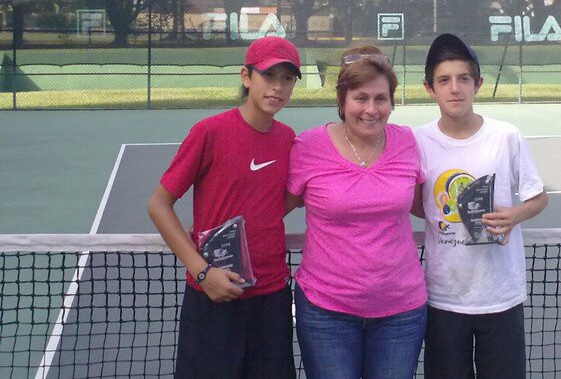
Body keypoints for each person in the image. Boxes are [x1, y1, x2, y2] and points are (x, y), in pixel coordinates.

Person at [147, 36, 301, 379]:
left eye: (287, 79)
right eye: (268, 75)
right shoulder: (208, 133)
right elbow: (159, 205)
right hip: (213, 297)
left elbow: (282, 201)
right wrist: (203, 273)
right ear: (246, 77)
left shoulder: (288, 138)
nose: (277, 87)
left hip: (271, 298)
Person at [285, 45, 427, 379]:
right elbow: (272, 209)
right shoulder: (308, 147)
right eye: (361, 98)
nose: (371, 109)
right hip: (325, 312)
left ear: (391, 102)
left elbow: (426, 207)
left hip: (401, 312)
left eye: (381, 98)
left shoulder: (407, 142)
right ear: (343, 101)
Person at [413, 33, 548, 379]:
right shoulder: (417, 141)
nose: (454, 88)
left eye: (463, 79)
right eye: (444, 80)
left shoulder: (507, 136)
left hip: (501, 295)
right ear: (430, 88)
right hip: (443, 297)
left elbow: (537, 198)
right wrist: (445, 213)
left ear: (479, 84)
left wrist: (514, 215)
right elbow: (418, 203)